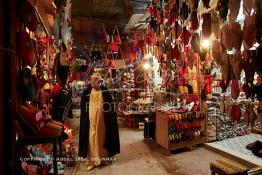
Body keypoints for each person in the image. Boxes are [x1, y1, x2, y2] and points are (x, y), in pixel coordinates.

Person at [78, 73, 120, 171]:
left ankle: (102, 159)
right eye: (93, 80)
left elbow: (110, 105)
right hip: (90, 122)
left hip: (102, 122)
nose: (94, 82)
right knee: (91, 138)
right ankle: (91, 161)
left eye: (96, 80)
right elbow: (84, 107)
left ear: (99, 81)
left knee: (102, 138)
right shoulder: (87, 92)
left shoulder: (105, 91)